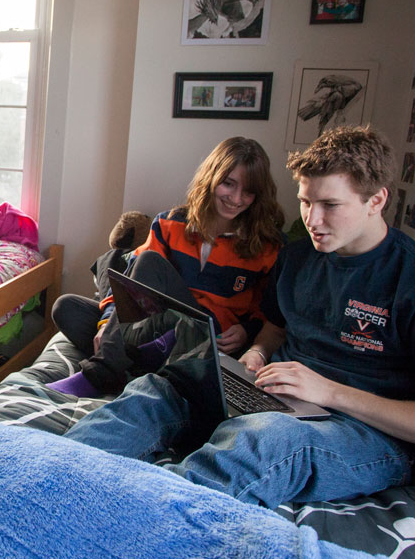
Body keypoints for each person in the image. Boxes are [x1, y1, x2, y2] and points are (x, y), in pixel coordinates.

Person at [61, 126, 415, 509]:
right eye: (306, 202)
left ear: (376, 200)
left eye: (330, 205)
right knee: (155, 389)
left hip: (358, 429)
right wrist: (256, 354)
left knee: (260, 440)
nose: (313, 220)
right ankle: (44, 480)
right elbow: (275, 328)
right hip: (273, 394)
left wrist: (332, 392)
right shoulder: (300, 256)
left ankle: (133, 529)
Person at [47, 137, 286, 398]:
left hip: (209, 335)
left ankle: (104, 372)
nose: (237, 198)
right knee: (67, 307)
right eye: (228, 184)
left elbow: (270, 312)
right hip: (156, 327)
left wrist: (247, 330)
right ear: (212, 178)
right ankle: (142, 363)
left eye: (248, 191)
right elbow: (131, 286)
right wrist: (107, 323)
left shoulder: (267, 246)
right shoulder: (170, 224)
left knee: (149, 262)